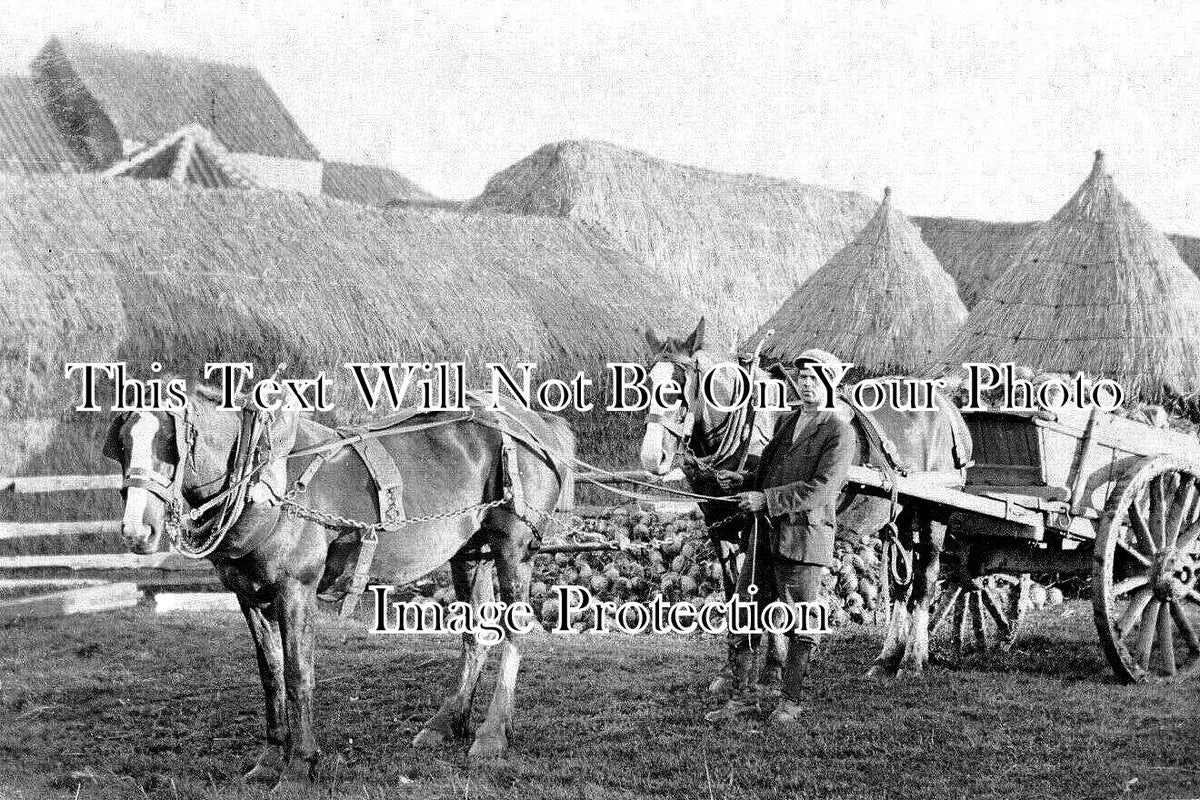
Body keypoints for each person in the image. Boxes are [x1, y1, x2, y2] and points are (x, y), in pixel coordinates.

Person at [704, 348, 856, 725]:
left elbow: (821, 489)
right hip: (764, 538)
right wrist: (744, 481)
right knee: (742, 616)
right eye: (801, 377)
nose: (806, 384)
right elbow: (772, 472)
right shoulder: (788, 423)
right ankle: (742, 699)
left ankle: (790, 702)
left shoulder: (839, 431)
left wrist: (765, 499)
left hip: (803, 542)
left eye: (814, 378)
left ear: (830, 383)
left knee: (800, 624)